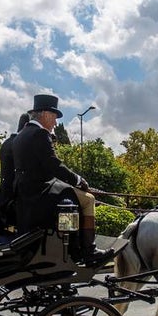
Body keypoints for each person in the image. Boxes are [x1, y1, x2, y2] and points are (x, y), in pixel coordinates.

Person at [11, 93, 111, 267]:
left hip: (25, 193)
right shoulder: (40, 134)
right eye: (54, 117)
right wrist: (79, 180)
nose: (56, 123)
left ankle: (75, 245)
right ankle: (88, 250)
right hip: (40, 193)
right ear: (46, 114)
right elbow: (54, 165)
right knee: (88, 199)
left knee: (70, 195)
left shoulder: (21, 135)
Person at [0, 113, 30, 229]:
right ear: (26, 126)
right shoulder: (19, 144)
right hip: (15, 201)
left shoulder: (6, 143)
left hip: (3, 197)